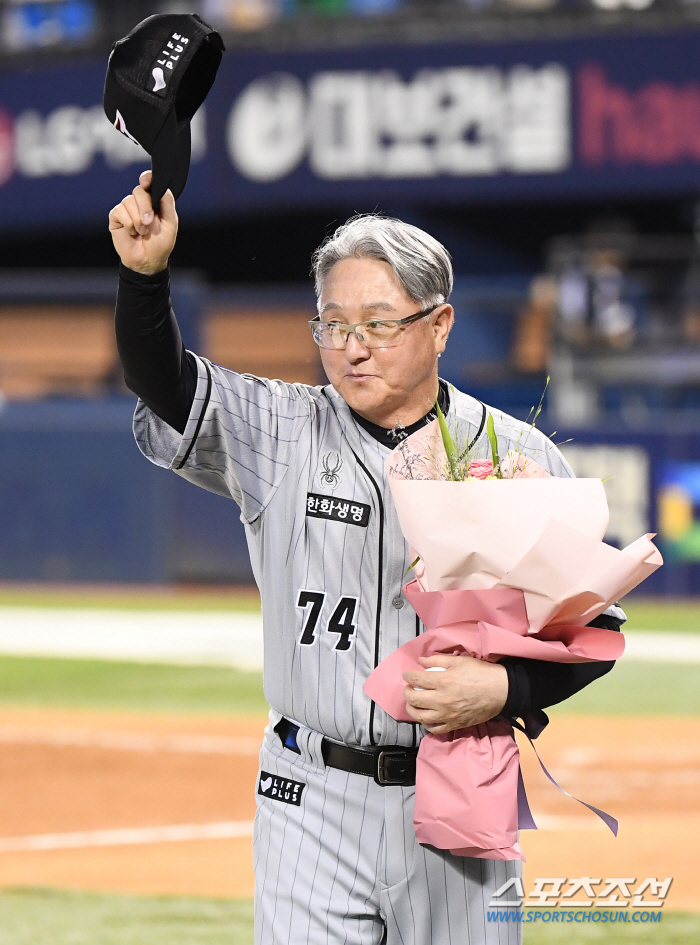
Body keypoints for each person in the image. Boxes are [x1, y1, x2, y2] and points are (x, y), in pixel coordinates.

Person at [109, 170, 624, 945]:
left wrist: (507, 683)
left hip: (458, 792)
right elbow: (165, 385)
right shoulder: (280, 428)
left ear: (441, 323)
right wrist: (144, 280)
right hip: (308, 794)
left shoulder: (517, 454)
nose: (351, 348)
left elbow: (595, 630)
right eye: (332, 324)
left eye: (378, 324)